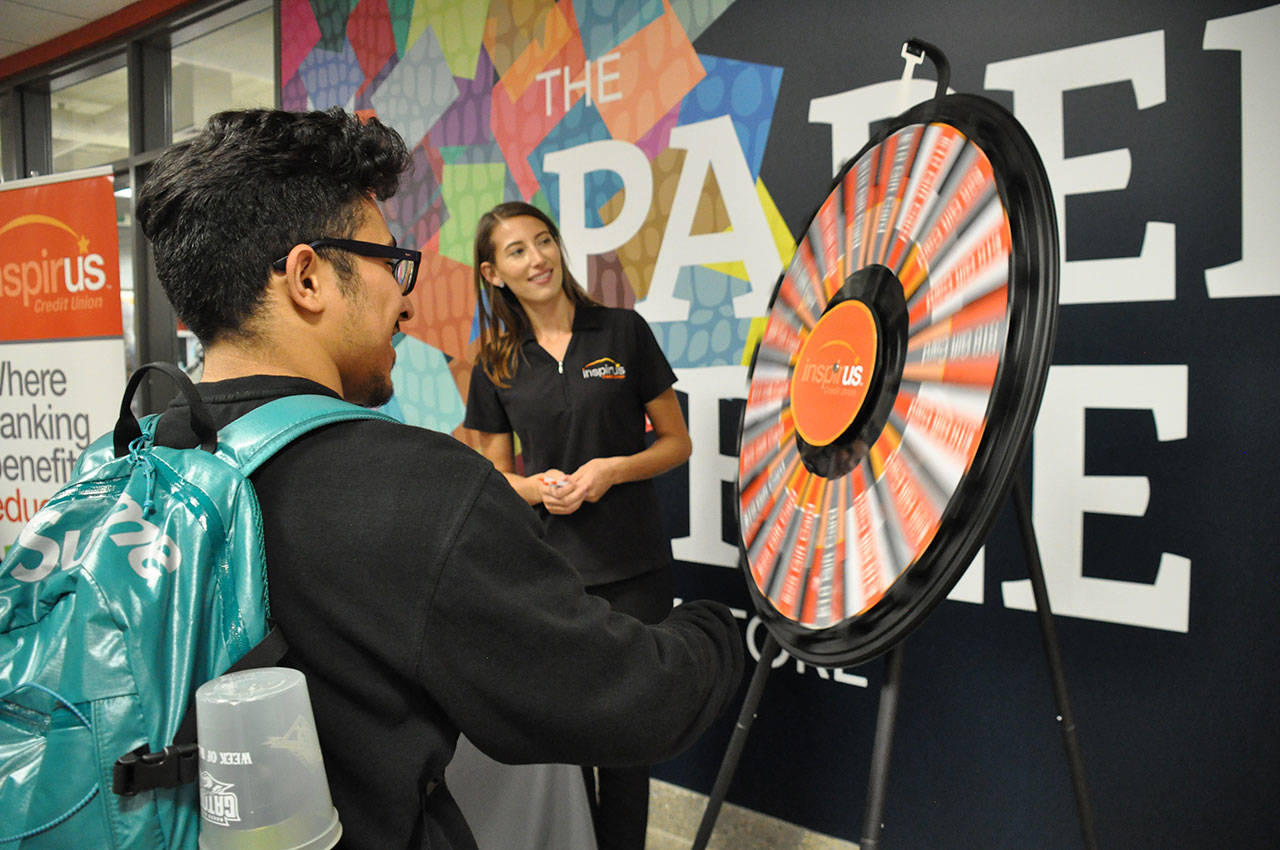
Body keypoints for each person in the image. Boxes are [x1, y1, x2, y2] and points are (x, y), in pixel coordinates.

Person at [133, 107, 744, 850]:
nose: (405, 297)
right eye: (389, 261)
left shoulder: (136, 462)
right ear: (308, 277)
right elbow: (634, 700)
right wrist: (726, 629)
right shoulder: (417, 492)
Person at [463, 202, 691, 850]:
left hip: (636, 569)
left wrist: (613, 470)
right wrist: (535, 487)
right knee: (566, 744)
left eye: (543, 241)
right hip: (551, 576)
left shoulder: (622, 332)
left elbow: (677, 442)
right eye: (516, 251)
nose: (536, 258)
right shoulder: (496, 362)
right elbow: (493, 474)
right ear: (494, 272)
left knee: (628, 745)